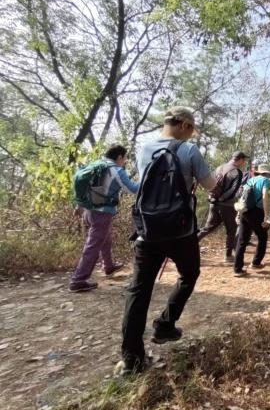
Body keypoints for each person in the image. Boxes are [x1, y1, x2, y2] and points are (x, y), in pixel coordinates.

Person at [120, 106, 216, 375]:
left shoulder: (144, 149)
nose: (191, 134)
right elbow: (211, 185)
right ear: (184, 125)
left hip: (147, 230)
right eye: (192, 129)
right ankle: (164, 325)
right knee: (189, 274)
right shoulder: (189, 150)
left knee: (139, 290)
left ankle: (131, 359)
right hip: (180, 232)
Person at [70, 145, 139, 293]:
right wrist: (150, 182)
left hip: (89, 210)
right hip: (102, 213)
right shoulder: (116, 170)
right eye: (125, 158)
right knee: (93, 245)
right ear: (119, 157)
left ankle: (108, 266)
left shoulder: (96, 165)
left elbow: (84, 187)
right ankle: (78, 280)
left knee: (105, 238)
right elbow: (133, 189)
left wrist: (79, 206)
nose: (125, 161)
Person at [198, 151, 247, 262]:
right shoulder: (237, 172)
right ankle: (228, 256)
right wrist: (222, 199)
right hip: (227, 205)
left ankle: (188, 246)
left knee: (207, 228)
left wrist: (213, 197)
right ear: (240, 160)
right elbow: (233, 190)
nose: (244, 163)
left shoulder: (220, 168)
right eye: (244, 161)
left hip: (213, 203)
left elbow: (210, 183)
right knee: (231, 230)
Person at [233, 164, 270, 277]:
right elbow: (265, 196)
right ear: (266, 174)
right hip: (257, 212)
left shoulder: (250, 180)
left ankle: (237, 269)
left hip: (245, 211)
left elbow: (243, 198)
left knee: (242, 241)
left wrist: (238, 214)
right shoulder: (265, 181)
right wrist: (266, 216)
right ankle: (256, 262)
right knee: (262, 237)